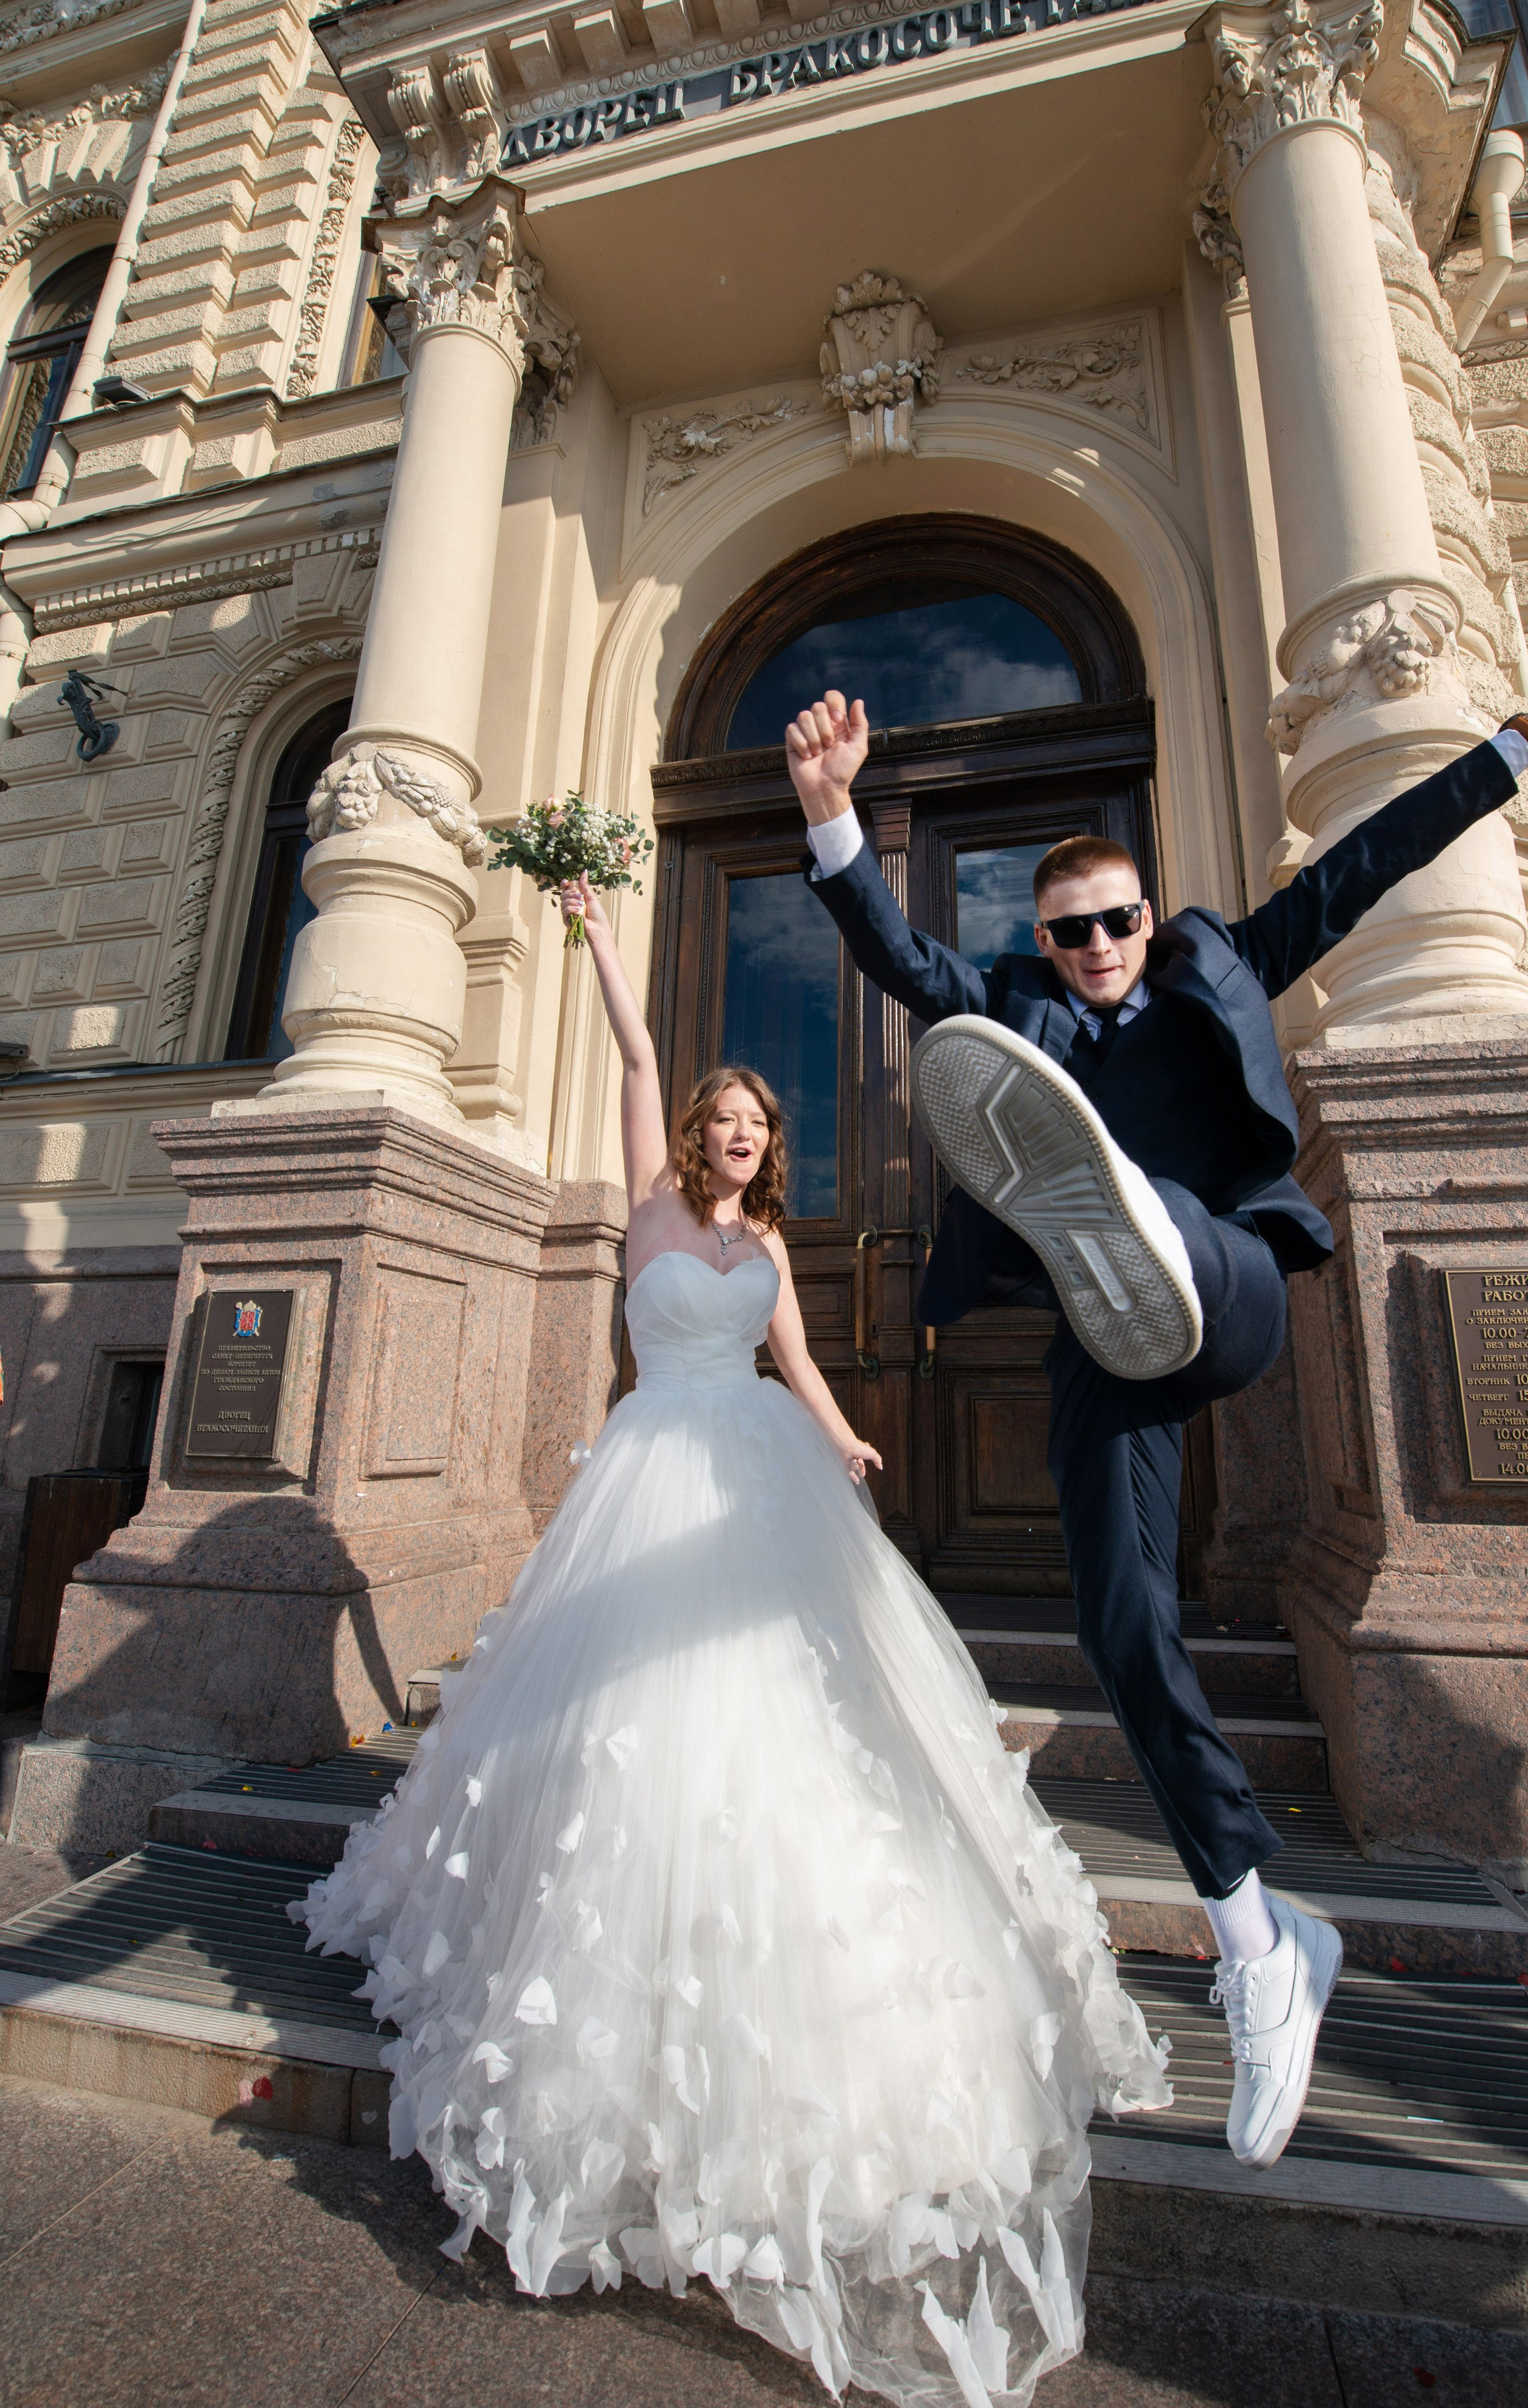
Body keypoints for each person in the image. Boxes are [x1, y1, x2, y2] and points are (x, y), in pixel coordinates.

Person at [294, 870, 1173, 2408]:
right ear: (696, 1128)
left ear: (771, 1149)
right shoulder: (645, 1202)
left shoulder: (769, 1252)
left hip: (755, 1479)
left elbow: (800, 1361)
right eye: (725, 1123)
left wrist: (840, 1442)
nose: (735, 1140)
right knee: (621, 1721)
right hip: (648, 1481)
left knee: (787, 1721)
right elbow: (632, 1061)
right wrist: (591, 937)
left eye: (755, 1131)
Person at [786, 659, 1528, 2170]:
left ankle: (1132, 1218)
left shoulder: (1214, 968)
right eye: (1068, 933)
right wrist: (830, 824)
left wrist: (1517, 742)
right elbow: (901, 961)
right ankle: (1258, 1936)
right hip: (1105, 1348)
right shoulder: (1009, 1000)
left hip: (1232, 1283)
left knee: (1184, 1242)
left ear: (1147, 917)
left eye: (1117, 922)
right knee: (1122, 1625)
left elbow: (1360, 867)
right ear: (1042, 941)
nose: (1098, 948)